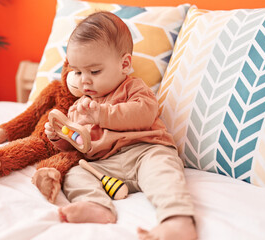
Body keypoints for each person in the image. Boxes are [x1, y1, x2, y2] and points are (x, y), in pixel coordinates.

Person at [43, 11, 197, 240]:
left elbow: (143, 114)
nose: (84, 80)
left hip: (146, 151)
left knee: (163, 175)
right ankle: (97, 206)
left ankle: (177, 220)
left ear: (124, 64)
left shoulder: (134, 88)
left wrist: (101, 115)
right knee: (75, 174)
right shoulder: (79, 107)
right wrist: (59, 137)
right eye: (77, 72)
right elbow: (78, 142)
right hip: (106, 164)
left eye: (94, 71)